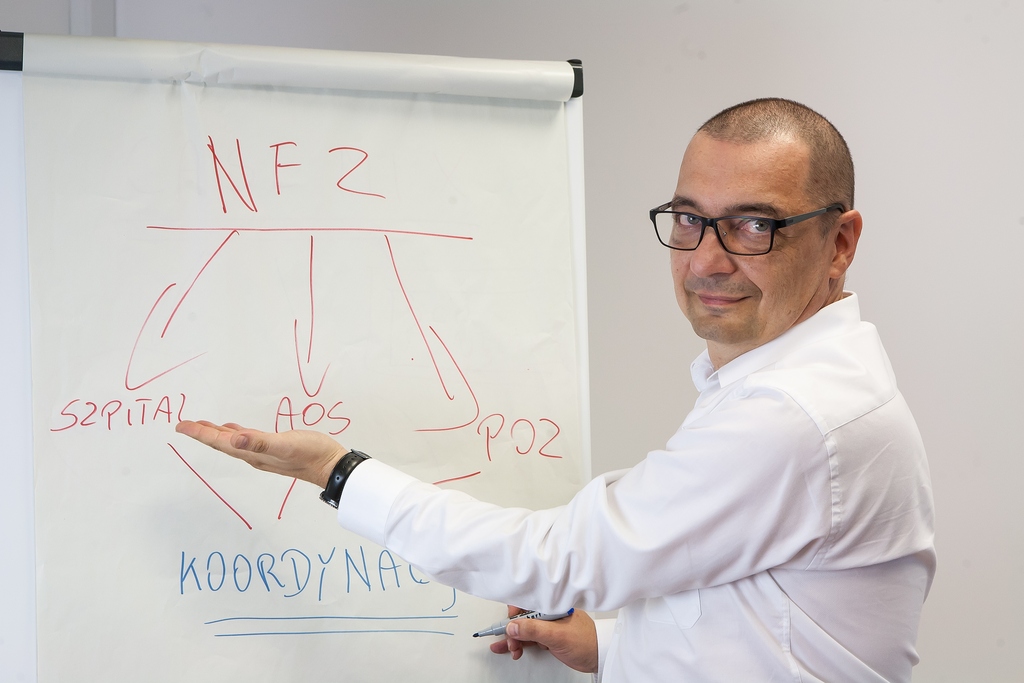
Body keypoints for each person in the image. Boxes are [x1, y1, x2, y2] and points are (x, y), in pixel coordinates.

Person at [177, 98, 935, 682]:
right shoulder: (783, 385)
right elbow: (755, 615)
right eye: (689, 219)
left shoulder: (794, 416)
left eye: (752, 226)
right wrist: (611, 645)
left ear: (839, 242)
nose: (706, 259)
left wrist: (336, 470)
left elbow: (553, 560)